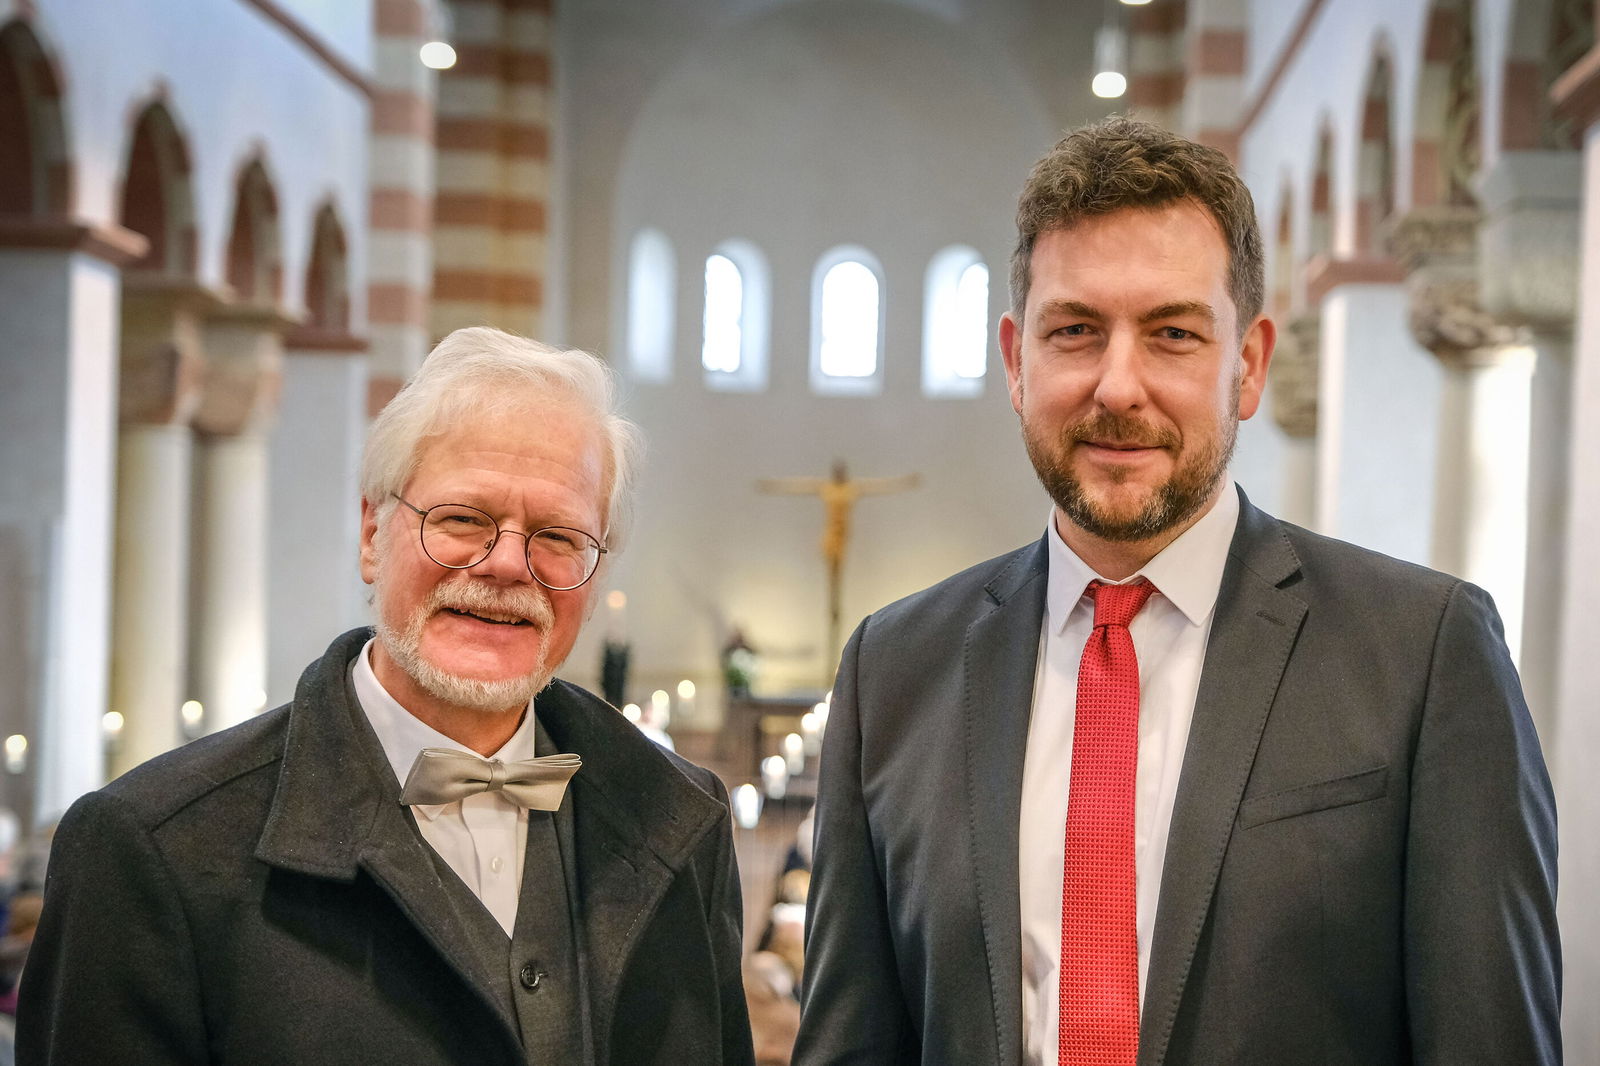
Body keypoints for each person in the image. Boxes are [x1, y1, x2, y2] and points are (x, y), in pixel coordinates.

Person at [792, 117, 1559, 1065]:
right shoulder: (895, 669)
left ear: (1249, 364)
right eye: (1075, 331)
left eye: (1173, 334)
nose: (1119, 386)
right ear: (1017, 361)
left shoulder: (1424, 655)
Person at [19, 327, 755, 1065]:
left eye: (558, 536)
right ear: (373, 533)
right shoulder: (153, 850)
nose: (507, 564)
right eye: (462, 519)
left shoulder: (679, 821)